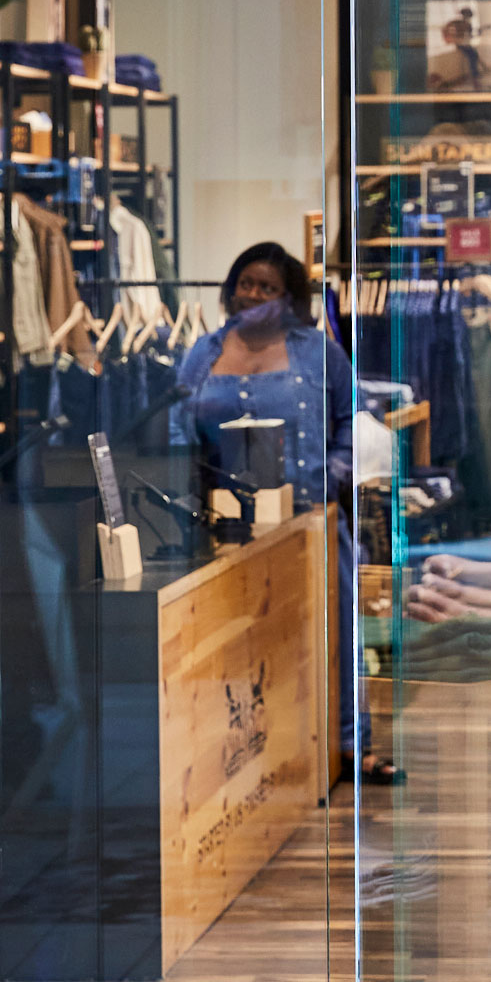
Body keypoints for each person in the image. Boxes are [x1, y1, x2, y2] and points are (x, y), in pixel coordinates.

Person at [170, 242, 398, 783]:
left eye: (267, 286)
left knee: (335, 625)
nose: (252, 294)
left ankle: (351, 743)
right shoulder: (202, 351)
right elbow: (179, 428)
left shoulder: (320, 351)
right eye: (245, 282)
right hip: (224, 527)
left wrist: (330, 480)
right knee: (240, 639)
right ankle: (262, 753)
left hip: (309, 519)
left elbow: (354, 423)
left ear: (290, 297)